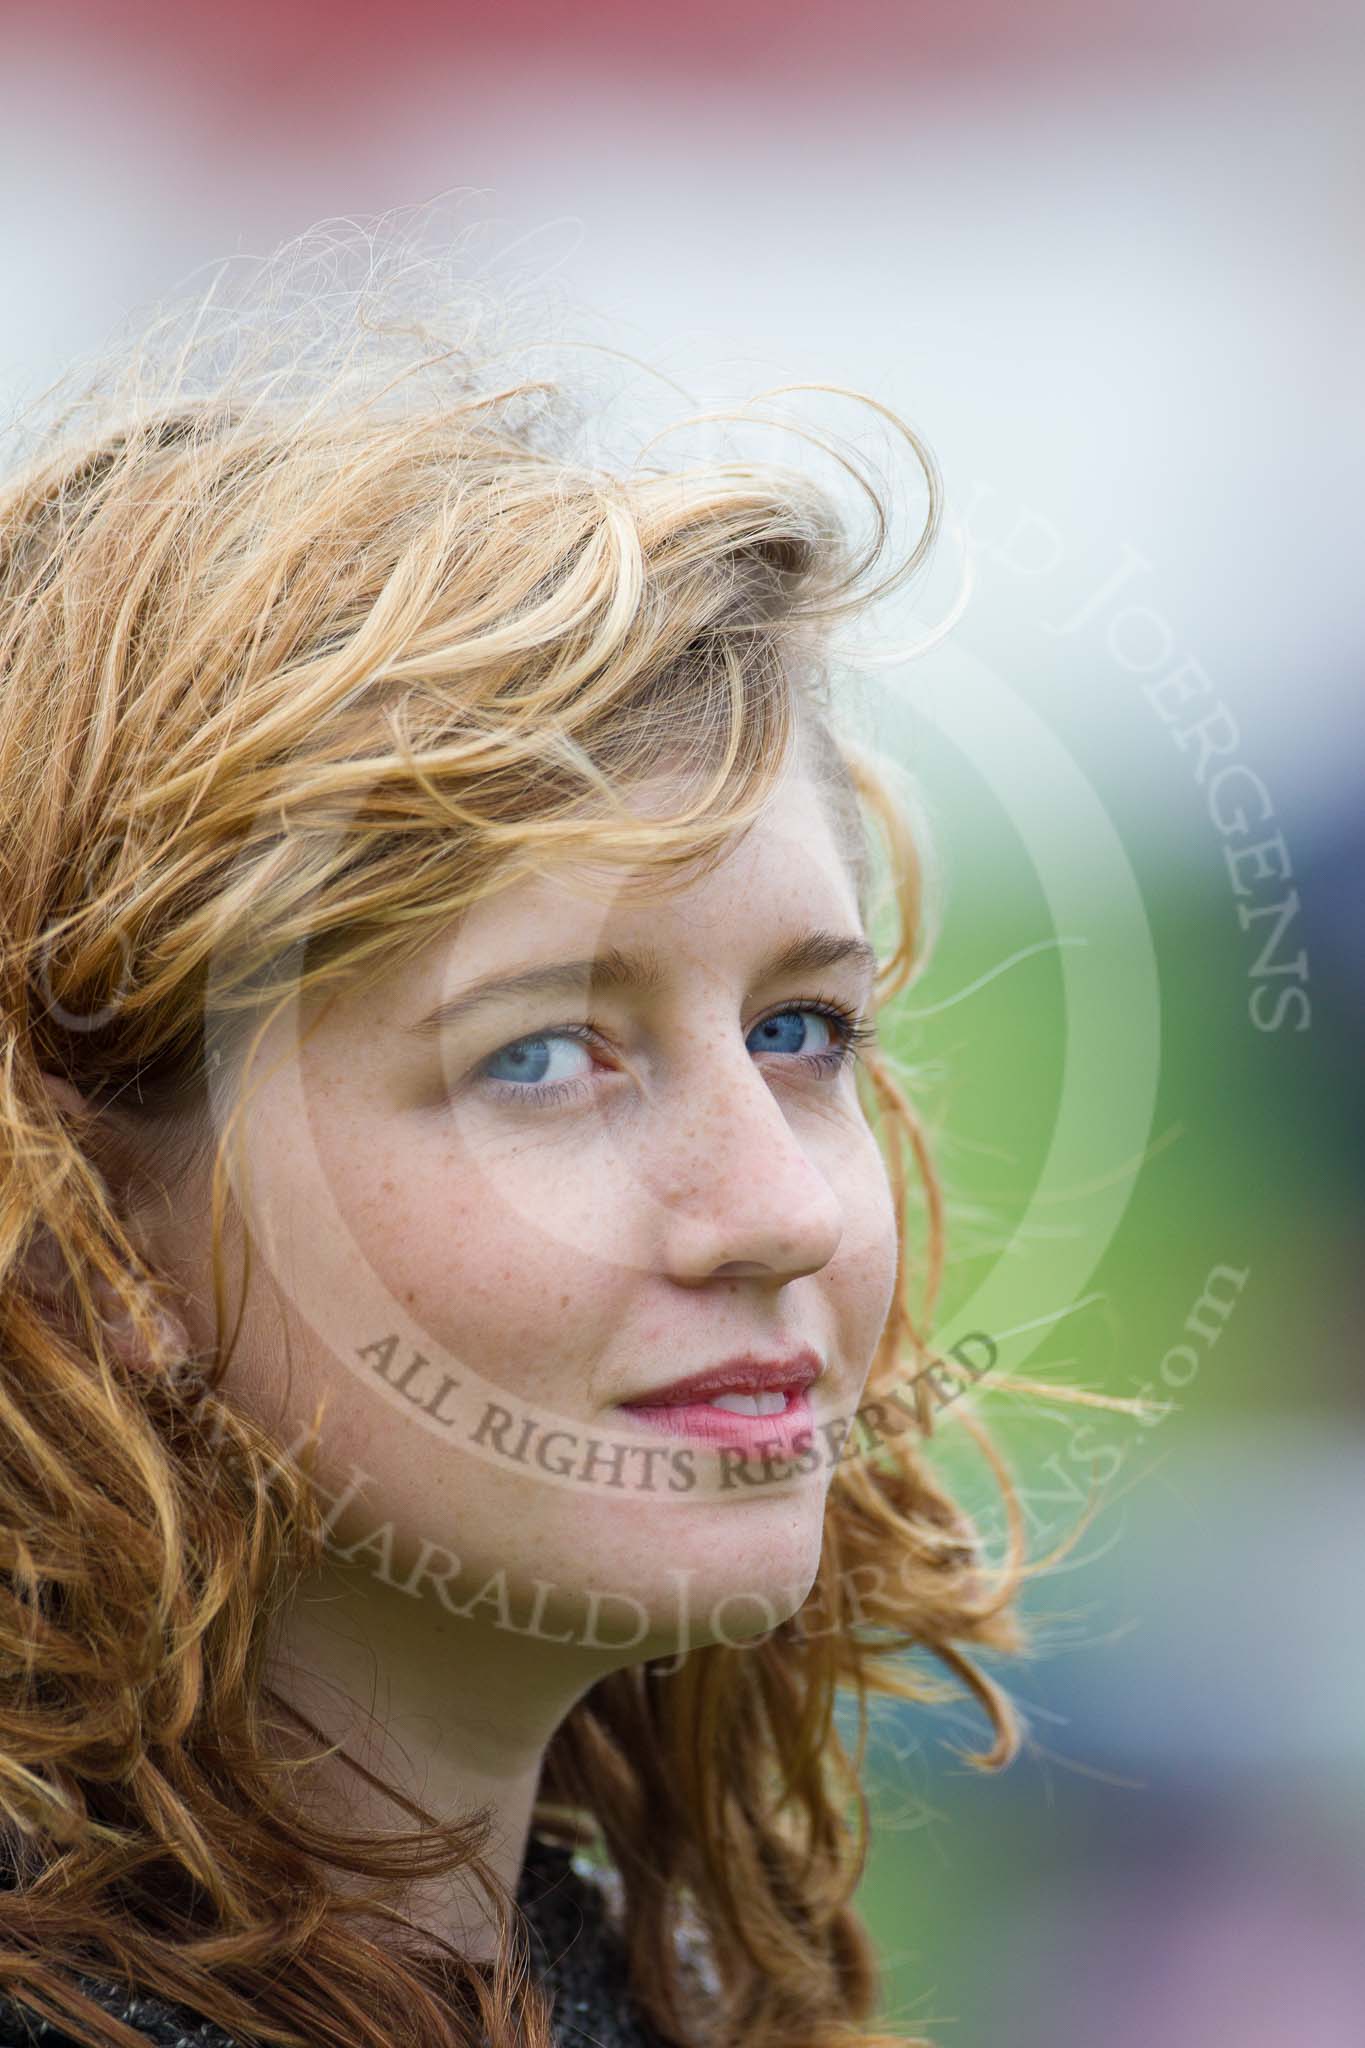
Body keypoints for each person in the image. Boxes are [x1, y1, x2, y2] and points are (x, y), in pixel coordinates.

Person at [0, 218, 1060, 2048]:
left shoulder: (628, 1988)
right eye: (546, 1057)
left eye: (798, 1031)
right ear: (90, 1235)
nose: (779, 1211)